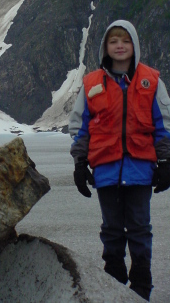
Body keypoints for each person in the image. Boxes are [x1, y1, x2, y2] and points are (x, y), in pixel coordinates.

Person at [69, 20, 170, 301]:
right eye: (113, 41)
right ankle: (113, 275)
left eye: (124, 40)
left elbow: (164, 125)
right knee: (111, 228)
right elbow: (80, 126)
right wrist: (80, 164)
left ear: (134, 45)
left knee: (139, 228)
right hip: (106, 170)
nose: (119, 45)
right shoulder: (91, 84)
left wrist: (165, 162)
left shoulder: (152, 82)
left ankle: (141, 283)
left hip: (140, 170)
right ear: (105, 47)